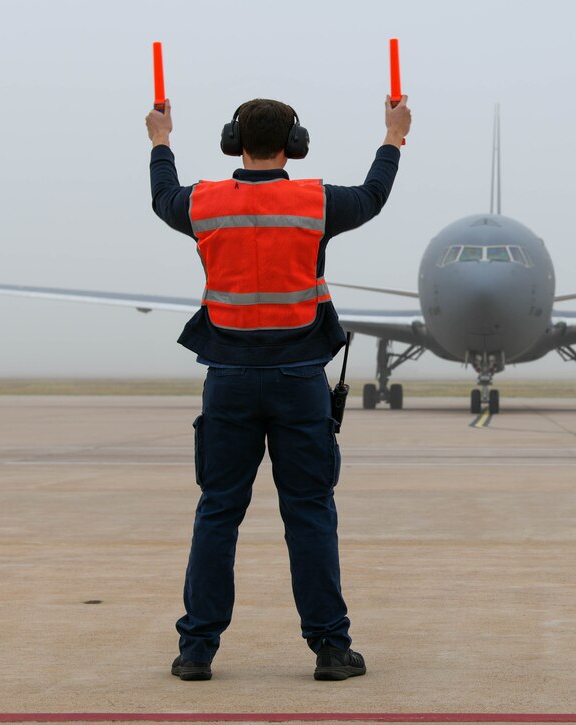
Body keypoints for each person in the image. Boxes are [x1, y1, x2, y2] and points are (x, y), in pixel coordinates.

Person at [144, 95, 411, 682]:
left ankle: (196, 650)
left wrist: (160, 139)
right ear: (296, 144)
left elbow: (164, 196)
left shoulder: (204, 203)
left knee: (218, 512)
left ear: (232, 139)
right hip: (299, 383)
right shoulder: (316, 202)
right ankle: (330, 648)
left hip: (229, 381)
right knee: (310, 512)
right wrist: (393, 136)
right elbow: (372, 196)